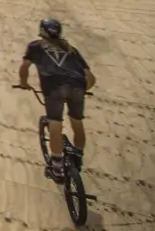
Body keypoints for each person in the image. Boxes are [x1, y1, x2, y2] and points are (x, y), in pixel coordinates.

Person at [17, 18, 96, 182]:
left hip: (54, 87)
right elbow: (90, 77)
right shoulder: (71, 49)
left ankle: (57, 168)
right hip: (77, 87)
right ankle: (77, 157)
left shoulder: (35, 47)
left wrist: (24, 83)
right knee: (77, 124)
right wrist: (82, 89)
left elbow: (24, 67)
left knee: (55, 125)